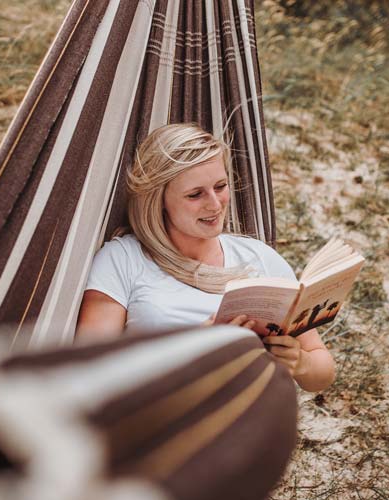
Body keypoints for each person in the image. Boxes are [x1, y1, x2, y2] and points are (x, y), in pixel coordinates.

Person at [75, 123, 335, 392]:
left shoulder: (260, 258)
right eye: (195, 194)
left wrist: (300, 363)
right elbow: (90, 373)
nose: (214, 204)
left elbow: (321, 372)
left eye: (220, 186)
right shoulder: (122, 260)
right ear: (158, 199)